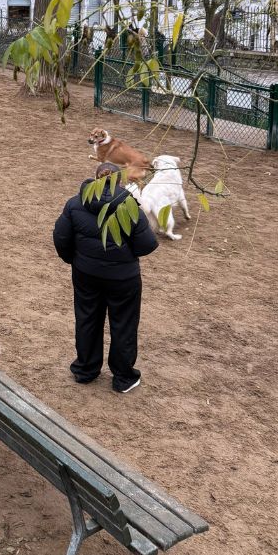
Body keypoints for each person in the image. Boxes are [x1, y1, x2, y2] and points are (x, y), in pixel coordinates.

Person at [53, 162, 158, 394]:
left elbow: (60, 237)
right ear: (118, 181)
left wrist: (76, 260)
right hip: (123, 279)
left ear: (95, 178)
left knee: (87, 318)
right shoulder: (129, 206)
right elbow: (147, 244)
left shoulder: (75, 203)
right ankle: (123, 378)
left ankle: (85, 369)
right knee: (124, 324)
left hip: (86, 274)